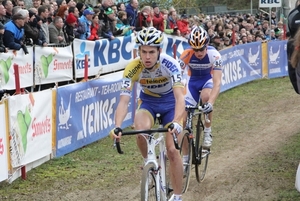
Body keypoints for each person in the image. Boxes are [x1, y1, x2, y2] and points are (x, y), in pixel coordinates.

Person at [110, 27, 185, 201]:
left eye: (152, 52)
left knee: (172, 150)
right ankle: (149, 161)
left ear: (159, 51)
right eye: (143, 52)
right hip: (148, 103)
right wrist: (117, 126)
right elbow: (123, 101)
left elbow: (180, 98)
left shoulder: (170, 64)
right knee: (140, 131)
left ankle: (178, 196)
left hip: (170, 104)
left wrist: (176, 121)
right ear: (139, 51)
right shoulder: (132, 68)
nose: (147, 57)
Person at [178, 26, 222, 152]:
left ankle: (207, 131)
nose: (199, 52)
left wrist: (210, 103)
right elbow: (177, 77)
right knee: (185, 119)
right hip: (192, 82)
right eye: (195, 49)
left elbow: (217, 82)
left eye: (201, 48)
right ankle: (186, 157)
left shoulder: (215, 55)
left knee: (205, 97)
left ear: (207, 45)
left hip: (207, 79)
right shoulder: (186, 55)